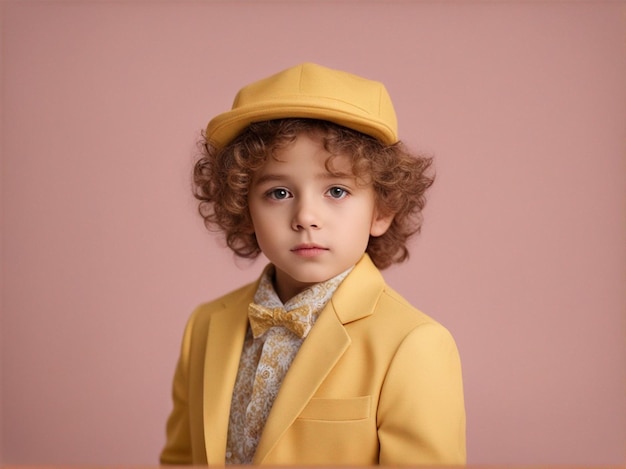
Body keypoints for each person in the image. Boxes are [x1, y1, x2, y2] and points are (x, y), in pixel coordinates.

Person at [160, 62, 466, 465]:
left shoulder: (413, 344)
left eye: (336, 190)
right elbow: (180, 459)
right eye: (279, 192)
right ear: (243, 206)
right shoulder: (204, 326)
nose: (306, 216)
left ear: (382, 210)